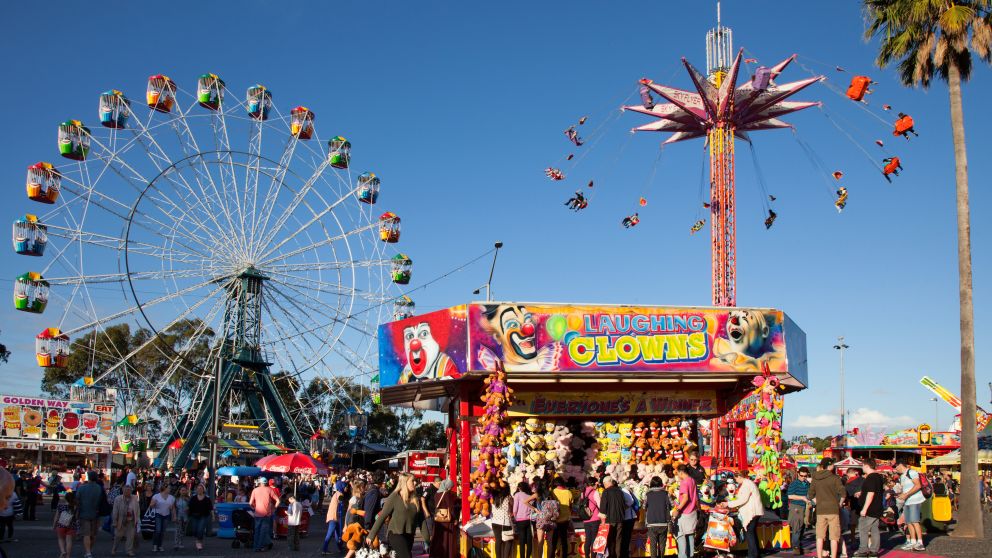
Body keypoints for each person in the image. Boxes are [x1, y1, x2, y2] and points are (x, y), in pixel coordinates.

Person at [370, 473, 421, 558]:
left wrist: (428, 538)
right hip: (395, 534)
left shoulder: (415, 498)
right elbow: (382, 516)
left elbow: (420, 518)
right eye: (412, 481)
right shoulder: (394, 496)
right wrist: (371, 535)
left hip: (409, 535)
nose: (415, 483)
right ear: (405, 482)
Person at [809, 458, 846, 558]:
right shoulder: (835, 478)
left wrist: (818, 502)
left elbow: (810, 495)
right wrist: (840, 503)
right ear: (830, 466)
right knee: (834, 536)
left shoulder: (815, 477)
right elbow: (843, 493)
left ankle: (819, 556)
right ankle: (833, 556)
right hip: (833, 509)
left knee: (820, 536)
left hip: (820, 510)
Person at [728, 470, 765, 558]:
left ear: (739, 477)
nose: (736, 481)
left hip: (752, 512)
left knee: (749, 533)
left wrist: (729, 504)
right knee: (751, 532)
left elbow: (743, 499)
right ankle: (755, 553)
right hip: (754, 511)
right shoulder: (748, 483)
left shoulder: (746, 484)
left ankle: (753, 554)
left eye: (736, 479)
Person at [853, 459, 884, 557]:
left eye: (862, 465)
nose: (862, 468)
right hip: (877, 507)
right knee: (874, 529)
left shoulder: (871, 477)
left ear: (866, 466)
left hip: (870, 509)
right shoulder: (878, 477)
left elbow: (871, 493)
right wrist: (862, 493)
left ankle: (862, 550)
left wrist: (864, 509)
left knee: (863, 529)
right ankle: (874, 551)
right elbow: (873, 491)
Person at [894, 459, 925, 551]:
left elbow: (918, 485)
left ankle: (920, 542)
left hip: (915, 500)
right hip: (907, 501)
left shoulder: (911, 472)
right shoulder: (902, 476)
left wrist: (906, 494)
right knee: (908, 522)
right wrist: (901, 494)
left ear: (900, 465)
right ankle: (913, 541)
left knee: (915, 521)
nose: (895, 469)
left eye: (896, 466)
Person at [673, 465, 699, 558]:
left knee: (681, 536)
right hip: (693, 512)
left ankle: (683, 556)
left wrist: (677, 509)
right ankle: (690, 555)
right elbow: (695, 498)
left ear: (680, 472)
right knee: (690, 536)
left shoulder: (684, 482)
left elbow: (685, 498)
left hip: (684, 513)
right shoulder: (692, 480)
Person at [77, 471, 105, 558]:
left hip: (84, 512)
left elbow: (77, 499)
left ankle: (88, 552)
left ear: (88, 477)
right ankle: (89, 551)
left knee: (86, 534)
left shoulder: (82, 488)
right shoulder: (99, 488)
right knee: (93, 534)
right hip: (96, 513)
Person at [644, 477, 672, 558]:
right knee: (662, 545)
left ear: (651, 484)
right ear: (661, 484)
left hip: (651, 523)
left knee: (653, 545)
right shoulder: (666, 494)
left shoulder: (648, 494)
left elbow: (644, 506)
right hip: (663, 522)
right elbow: (672, 504)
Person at [787, 467, 812, 555]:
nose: (803, 478)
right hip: (796, 507)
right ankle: (796, 547)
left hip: (805, 507)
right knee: (796, 528)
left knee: (802, 528)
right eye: (801, 476)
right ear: (798, 474)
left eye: (805, 476)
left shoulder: (807, 483)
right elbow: (790, 496)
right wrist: (802, 498)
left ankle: (799, 546)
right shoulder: (794, 483)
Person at [598, 476, 625, 558]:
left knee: (611, 540)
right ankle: (618, 555)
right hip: (620, 519)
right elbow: (624, 504)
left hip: (610, 519)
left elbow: (603, 508)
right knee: (618, 539)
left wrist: (602, 520)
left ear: (606, 483)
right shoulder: (620, 491)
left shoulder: (606, 492)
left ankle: (612, 556)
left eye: (604, 484)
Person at [250, 477, 279, 552]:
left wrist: (254, 507)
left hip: (257, 513)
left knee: (257, 531)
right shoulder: (269, 490)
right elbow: (278, 501)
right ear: (266, 483)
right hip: (267, 514)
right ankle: (261, 546)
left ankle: (255, 546)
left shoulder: (255, 490)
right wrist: (274, 509)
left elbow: (250, 503)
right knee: (264, 531)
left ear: (259, 482)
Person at [111, 484, 140, 557]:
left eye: (129, 490)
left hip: (131, 520)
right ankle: (114, 549)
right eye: (126, 490)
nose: (127, 491)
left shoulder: (134, 498)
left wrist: (137, 519)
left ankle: (129, 550)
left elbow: (137, 509)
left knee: (130, 536)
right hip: (121, 519)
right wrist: (114, 521)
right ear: (123, 490)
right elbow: (115, 511)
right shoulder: (118, 499)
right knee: (118, 536)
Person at [149, 482, 176, 553]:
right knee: (158, 530)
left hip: (166, 515)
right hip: (158, 514)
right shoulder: (156, 496)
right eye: (169, 488)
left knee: (163, 531)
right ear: (164, 488)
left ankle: (160, 545)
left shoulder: (172, 498)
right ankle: (155, 545)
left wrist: (174, 516)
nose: (170, 489)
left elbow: (173, 508)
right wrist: (153, 504)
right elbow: (151, 505)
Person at [513, 481, 537, 558]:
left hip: (520, 520)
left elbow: (515, 508)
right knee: (529, 540)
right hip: (529, 520)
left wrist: (514, 517)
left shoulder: (517, 495)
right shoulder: (530, 496)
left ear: (519, 488)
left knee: (522, 540)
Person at [322, 480, 347, 555]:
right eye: (345, 486)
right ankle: (324, 549)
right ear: (342, 487)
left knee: (337, 533)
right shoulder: (340, 495)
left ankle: (340, 548)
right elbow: (340, 507)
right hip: (334, 517)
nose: (347, 488)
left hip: (333, 516)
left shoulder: (337, 493)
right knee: (330, 534)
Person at [551, 477, 573, 558]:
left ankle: (552, 555)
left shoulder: (553, 492)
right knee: (564, 540)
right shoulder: (568, 492)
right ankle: (564, 556)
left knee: (554, 540)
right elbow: (571, 505)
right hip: (565, 519)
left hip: (555, 519)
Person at [188, 483, 213, 552]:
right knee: (195, 530)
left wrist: (213, 516)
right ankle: (198, 539)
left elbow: (210, 508)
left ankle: (199, 542)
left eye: (201, 489)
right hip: (194, 515)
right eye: (198, 489)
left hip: (204, 516)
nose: (199, 490)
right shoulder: (193, 497)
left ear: (203, 490)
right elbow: (190, 506)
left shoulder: (207, 498)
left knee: (200, 529)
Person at [491, 484, 514, 558]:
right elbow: (512, 507)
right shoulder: (509, 497)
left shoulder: (494, 497)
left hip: (495, 521)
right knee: (508, 541)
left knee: (498, 541)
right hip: (505, 522)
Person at [581, 478, 602, 558]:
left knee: (588, 539)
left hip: (586, 518)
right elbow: (600, 506)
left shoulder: (583, 492)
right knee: (594, 539)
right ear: (594, 484)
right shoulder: (595, 492)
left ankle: (587, 556)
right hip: (595, 519)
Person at [619, 482, 638, 558]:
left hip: (629, 517)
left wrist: (623, 508)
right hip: (626, 517)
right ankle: (625, 553)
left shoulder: (623, 490)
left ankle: (625, 554)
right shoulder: (622, 490)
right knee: (625, 537)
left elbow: (631, 501)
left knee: (626, 537)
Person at [173, 485, 189, 550]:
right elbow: (173, 508)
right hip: (178, 516)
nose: (183, 492)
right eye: (182, 490)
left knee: (183, 530)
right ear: (179, 491)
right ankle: (176, 543)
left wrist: (188, 508)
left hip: (185, 517)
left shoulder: (188, 499)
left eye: (184, 490)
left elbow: (191, 506)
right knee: (177, 530)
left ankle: (181, 542)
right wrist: (174, 516)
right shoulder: (176, 499)